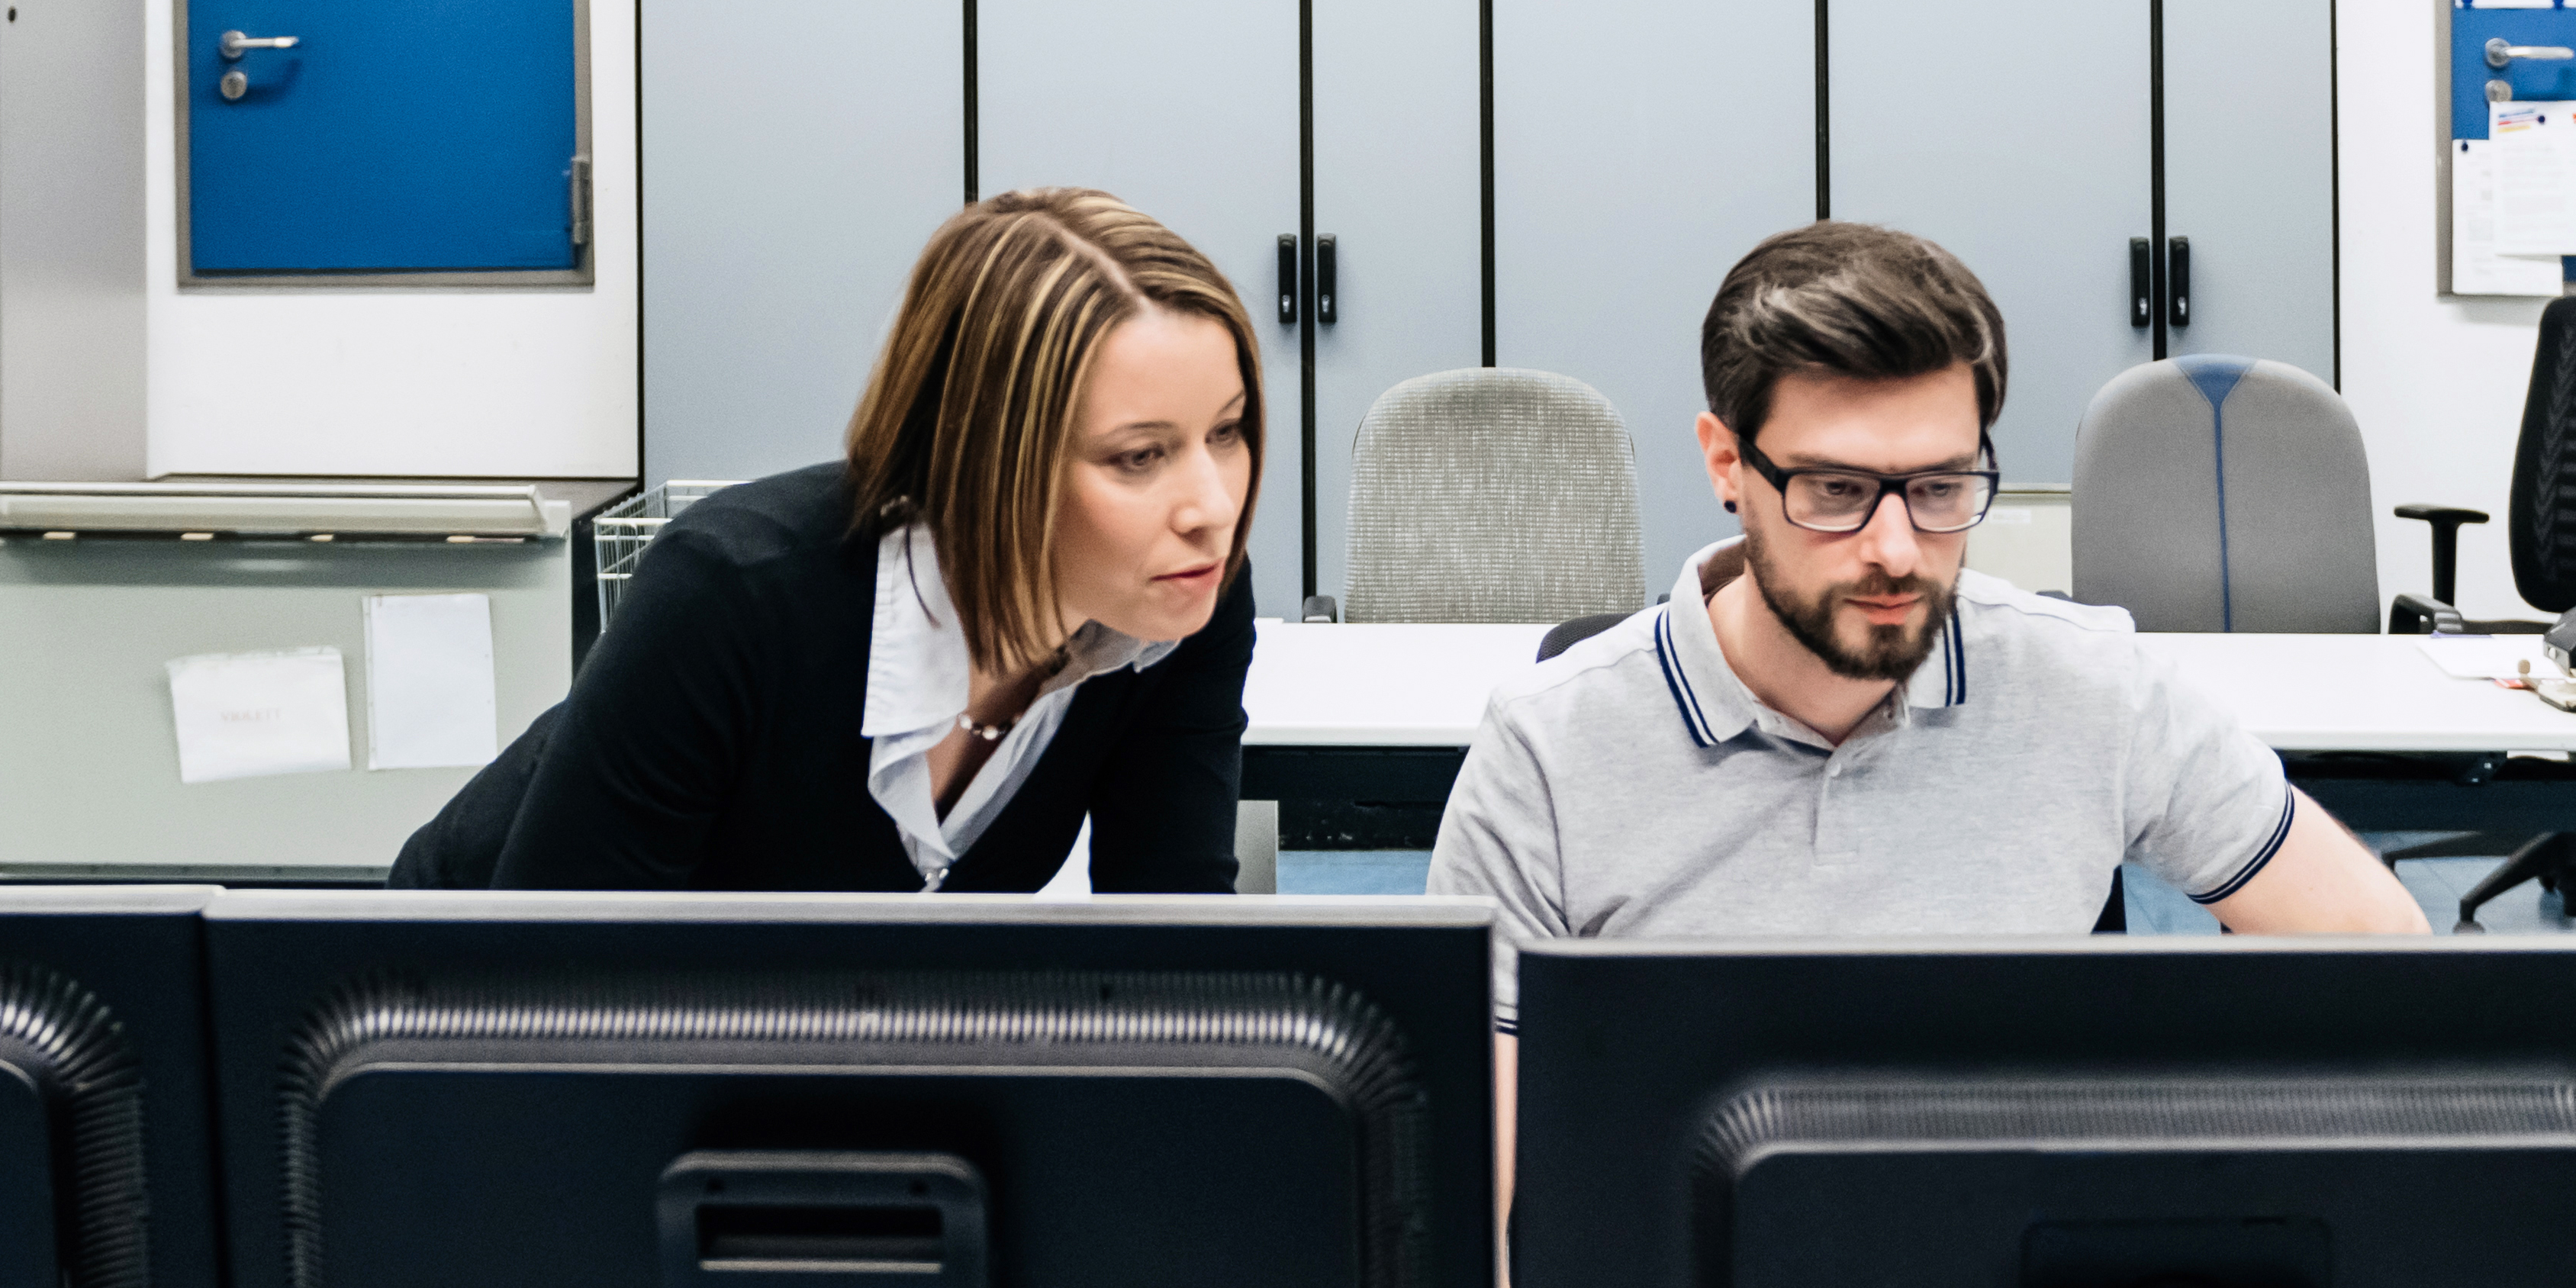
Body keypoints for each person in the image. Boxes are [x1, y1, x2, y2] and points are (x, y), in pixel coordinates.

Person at [1432, 218, 2426, 1055]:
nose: (1897, 549)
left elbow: (2384, 958)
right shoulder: (1547, 750)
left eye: (1941, 488)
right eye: (1836, 490)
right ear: (1727, 463)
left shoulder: (2093, 687)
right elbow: (1482, 1175)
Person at [394, 188, 1264, 891]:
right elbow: (564, 990)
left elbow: (1176, 940)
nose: (1212, 507)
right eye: (1139, 455)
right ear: (985, 456)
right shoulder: (729, 592)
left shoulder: (1180, 599)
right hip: (461, 1005)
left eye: (1225, 432)